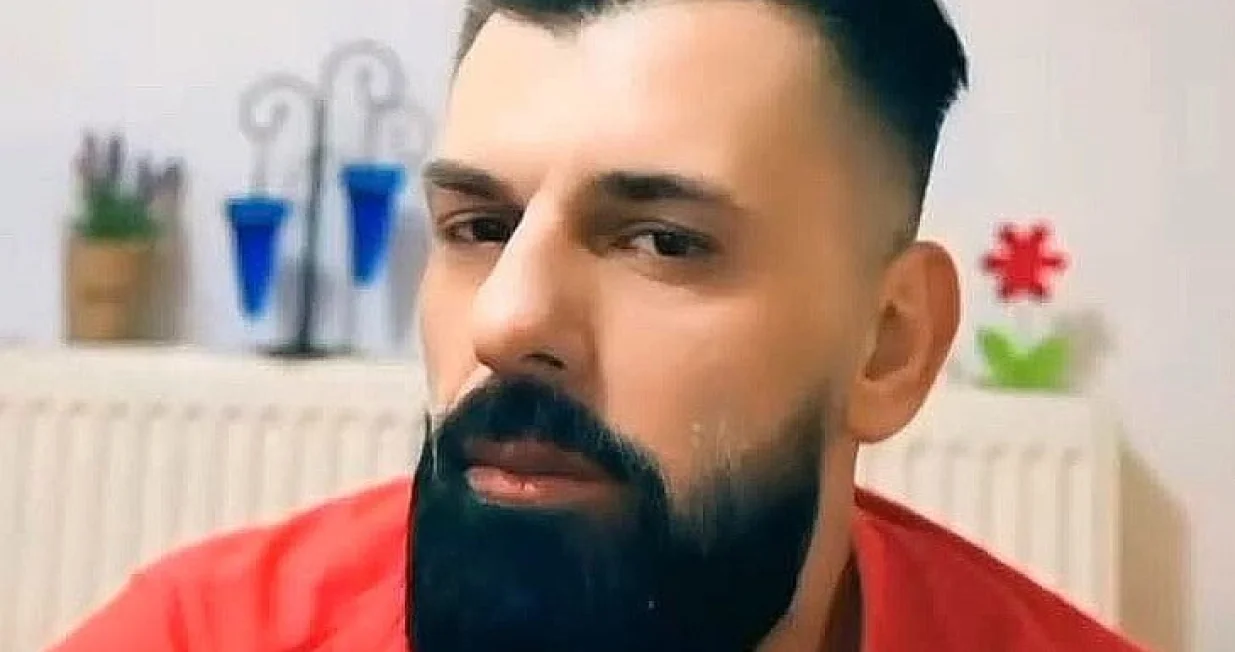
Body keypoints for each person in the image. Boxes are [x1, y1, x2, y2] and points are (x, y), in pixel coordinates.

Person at [51, 0, 1147, 650]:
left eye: (662, 241)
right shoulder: (203, 633)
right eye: (477, 226)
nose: (506, 320)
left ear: (888, 344)